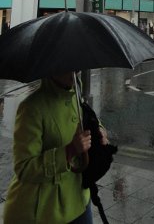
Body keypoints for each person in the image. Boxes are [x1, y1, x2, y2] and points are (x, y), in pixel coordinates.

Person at [3, 72, 107, 224]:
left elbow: (84, 117)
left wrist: (99, 129)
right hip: (46, 210)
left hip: (80, 198)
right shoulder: (31, 108)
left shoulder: (76, 91)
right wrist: (68, 151)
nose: (73, 70)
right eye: (65, 65)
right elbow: (23, 168)